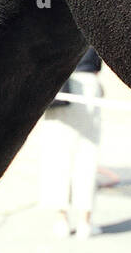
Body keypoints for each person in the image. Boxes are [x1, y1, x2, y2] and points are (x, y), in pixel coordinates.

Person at [38, 47, 105, 239]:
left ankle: (62, 220)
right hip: (88, 81)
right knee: (87, 153)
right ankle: (85, 221)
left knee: (57, 154)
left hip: (59, 83)